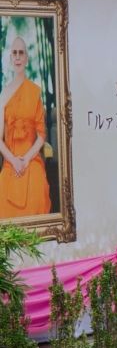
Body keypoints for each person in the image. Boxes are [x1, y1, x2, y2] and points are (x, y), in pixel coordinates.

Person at [0, 26, 53, 219]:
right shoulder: (3, 95)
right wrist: (13, 160)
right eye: (14, 53)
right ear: (10, 58)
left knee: (37, 188)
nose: (17, 56)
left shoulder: (34, 92)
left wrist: (25, 159)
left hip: (31, 159)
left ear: (26, 58)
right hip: (10, 160)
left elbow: (41, 136)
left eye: (21, 53)